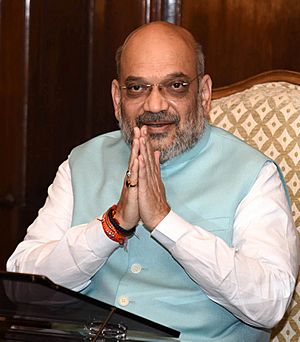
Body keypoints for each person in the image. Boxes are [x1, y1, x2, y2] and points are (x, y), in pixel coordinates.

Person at [7, 21, 299, 341]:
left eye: (175, 86)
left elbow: (269, 303)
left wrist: (165, 221)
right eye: (137, 88)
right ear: (118, 98)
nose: (155, 105)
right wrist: (112, 226)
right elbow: (24, 286)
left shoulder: (253, 174)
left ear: (203, 94)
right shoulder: (80, 164)